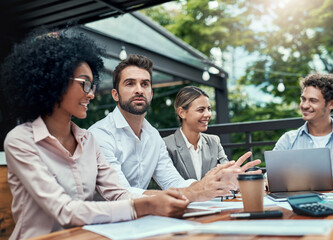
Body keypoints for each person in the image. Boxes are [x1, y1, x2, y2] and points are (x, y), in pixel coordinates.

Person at [1, 30, 190, 240]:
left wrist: (163, 199)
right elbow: (65, 211)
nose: (91, 93)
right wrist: (144, 205)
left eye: (92, 85)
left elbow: (118, 193)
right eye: (85, 83)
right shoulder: (20, 141)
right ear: (56, 81)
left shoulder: (88, 141)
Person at [89, 54, 261, 201]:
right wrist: (194, 192)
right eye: (130, 84)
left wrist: (211, 183)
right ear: (115, 94)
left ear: (151, 93)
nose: (139, 90)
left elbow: (173, 181)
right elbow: (122, 194)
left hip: (142, 218)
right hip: (103, 225)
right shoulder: (99, 135)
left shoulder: (153, 136)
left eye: (145, 84)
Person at [273, 73, 333, 189]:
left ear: (331, 104)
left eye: (312, 101)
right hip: (298, 201)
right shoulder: (288, 139)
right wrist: (267, 180)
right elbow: (270, 174)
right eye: (303, 99)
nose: (304, 105)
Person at [163, 86, 228, 180]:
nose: (208, 114)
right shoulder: (166, 145)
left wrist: (240, 175)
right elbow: (169, 183)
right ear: (182, 113)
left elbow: (226, 173)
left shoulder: (214, 141)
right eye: (201, 110)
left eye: (209, 109)